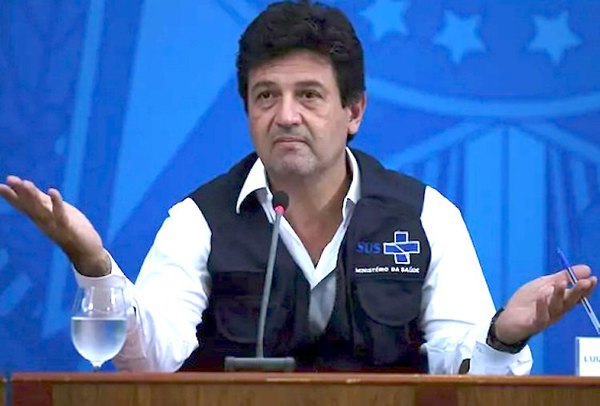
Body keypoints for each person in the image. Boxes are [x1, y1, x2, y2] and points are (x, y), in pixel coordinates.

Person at [0, 0, 596, 374]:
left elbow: (459, 373)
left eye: (308, 95)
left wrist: (501, 336)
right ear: (247, 111)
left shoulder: (425, 216)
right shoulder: (199, 220)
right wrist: (94, 264)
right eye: (266, 96)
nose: (285, 116)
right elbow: (153, 362)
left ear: (353, 110)